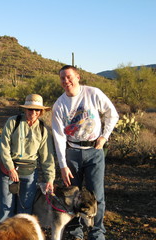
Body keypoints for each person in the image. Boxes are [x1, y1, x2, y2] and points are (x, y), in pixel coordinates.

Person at [51, 65, 119, 240]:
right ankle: (76, 232)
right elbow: (58, 137)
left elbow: (112, 114)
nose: (66, 81)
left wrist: (104, 137)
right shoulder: (59, 104)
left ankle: (97, 233)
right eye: (62, 78)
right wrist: (63, 165)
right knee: (72, 196)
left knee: (97, 194)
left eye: (69, 77)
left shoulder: (93, 93)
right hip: (72, 152)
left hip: (94, 151)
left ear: (78, 77)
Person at [0, 94, 55, 222]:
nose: (33, 113)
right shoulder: (13, 122)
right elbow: (4, 147)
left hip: (29, 172)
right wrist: (11, 168)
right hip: (8, 171)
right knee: (6, 208)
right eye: (30, 109)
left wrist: (50, 178)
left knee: (25, 209)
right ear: (25, 109)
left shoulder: (43, 129)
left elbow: (47, 156)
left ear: (41, 112)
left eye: (37, 110)